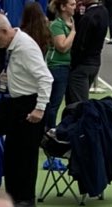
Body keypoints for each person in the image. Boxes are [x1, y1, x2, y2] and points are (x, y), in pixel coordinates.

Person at [0, 14, 53, 207]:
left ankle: (25, 198)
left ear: (6, 32)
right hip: (17, 102)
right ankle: (13, 195)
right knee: (13, 153)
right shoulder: (13, 47)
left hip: (30, 104)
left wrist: (39, 108)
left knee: (26, 154)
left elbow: (45, 78)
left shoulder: (25, 48)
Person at [66, 0, 107, 105]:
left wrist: (72, 63)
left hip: (82, 65)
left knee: (78, 105)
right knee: (79, 102)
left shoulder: (88, 17)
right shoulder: (103, 11)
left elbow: (80, 44)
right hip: (95, 62)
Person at [45, 0, 76, 131]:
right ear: (63, 7)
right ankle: (50, 130)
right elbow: (62, 47)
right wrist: (73, 32)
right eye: (72, 4)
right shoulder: (57, 25)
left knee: (58, 102)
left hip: (67, 66)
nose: (75, 7)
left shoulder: (72, 21)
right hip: (57, 66)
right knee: (54, 103)